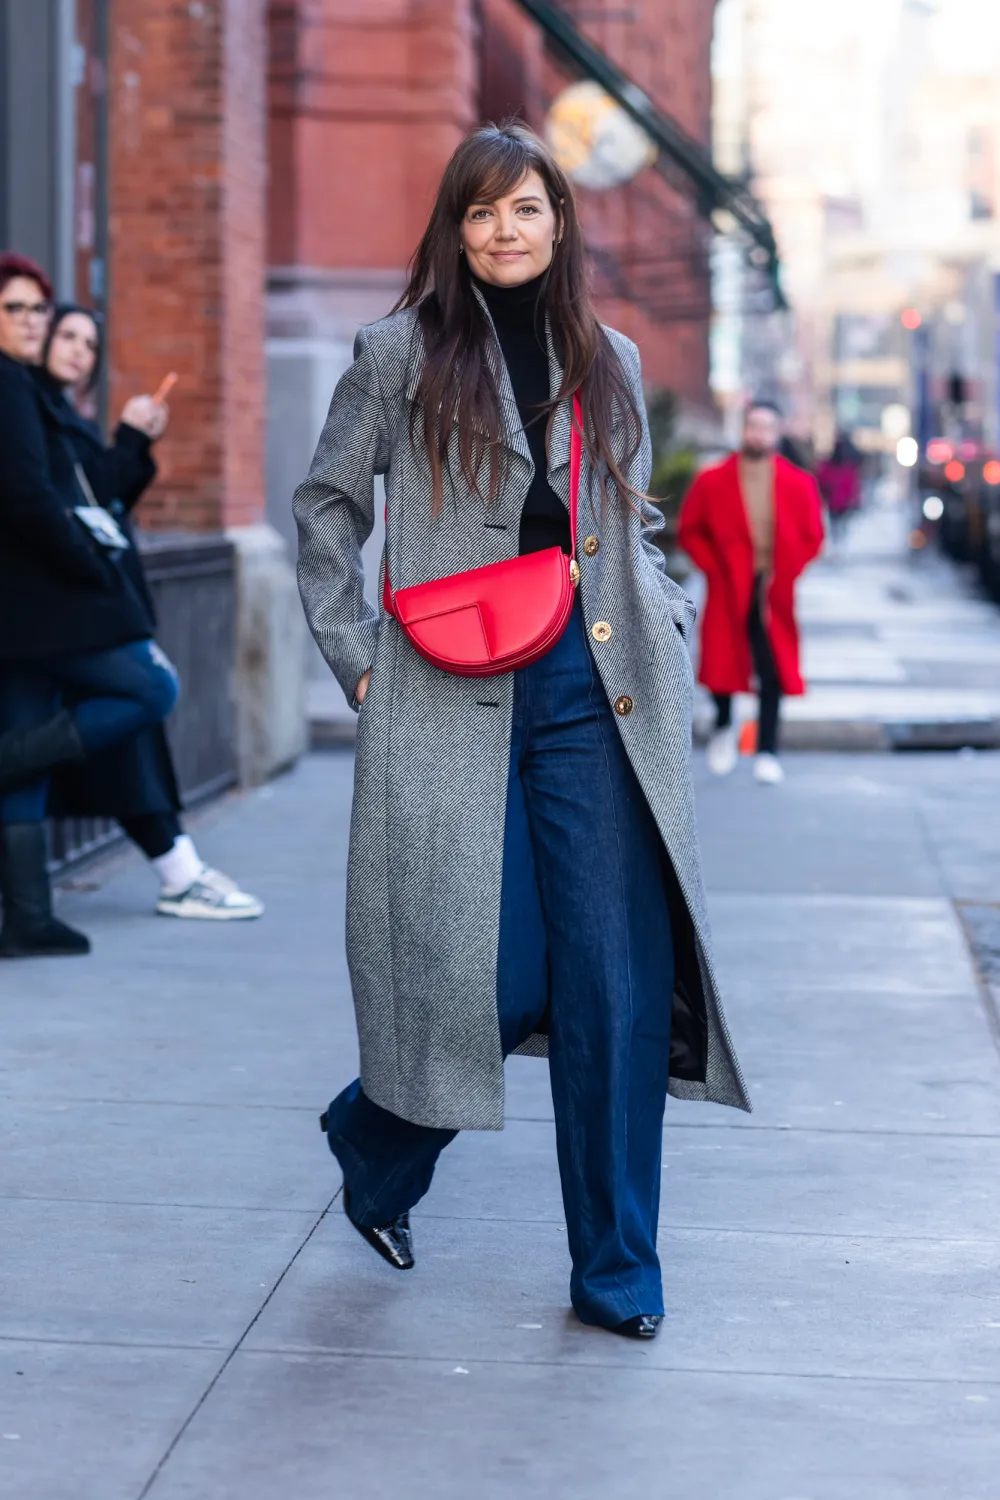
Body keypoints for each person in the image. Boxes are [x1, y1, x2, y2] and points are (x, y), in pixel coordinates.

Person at [293, 123, 750, 1341]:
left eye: (528, 210)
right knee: (480, 977)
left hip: (591, 693)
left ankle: (617, 1270)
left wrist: (666, 612)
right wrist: (357, 664)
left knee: (611, 981)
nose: (506, 231)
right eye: (482, 212)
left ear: (560, 222)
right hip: (442, 688)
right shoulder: (395, 354)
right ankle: (377, 1145)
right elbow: (327, 510)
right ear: (455, 228)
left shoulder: (607, 356)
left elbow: (634, 521)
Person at [35, 303, 263, 922]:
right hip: (65, 612)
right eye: (69, 335)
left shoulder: (61, 414)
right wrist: (130, 440)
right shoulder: (31, 411)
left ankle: (179, 869)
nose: (80, 350)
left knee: (132, 729)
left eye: (91, 343)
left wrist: (135, 443)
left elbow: (106, 499)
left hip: (86, 608)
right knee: (148, 694)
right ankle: (178, 870)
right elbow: (71, 504)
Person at [0, 253, 176, 957]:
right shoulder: (9, 383)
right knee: (153, 686)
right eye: (14, 309)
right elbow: (27, 498)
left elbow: (85, 486)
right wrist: (89, 562)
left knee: (29, 749)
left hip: (28, 612)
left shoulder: (26, 388)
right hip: (44, 599)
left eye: (38, 310)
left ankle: (28, 916)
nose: (33, 323)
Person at [678, 400, 824, 785]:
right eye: (753, 425)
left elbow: (813, 535)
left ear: (778, 433)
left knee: (772, 667)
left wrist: (790, 570)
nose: (758, 433)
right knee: (723, 660)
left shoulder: (798, 482)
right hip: (728, 583)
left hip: (772, 587)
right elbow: (691, 530)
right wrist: (711, 567)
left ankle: (768, 749)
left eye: (766, 427)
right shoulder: (713, 480)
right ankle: (725, 725)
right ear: (744, 429)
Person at [817, 431, 862, 550]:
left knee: (838, 524)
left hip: (839, 500)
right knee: (837, 524)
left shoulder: (847, 464)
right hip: (837, 500)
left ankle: (839, 544)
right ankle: (838, 544)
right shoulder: (845, 463)